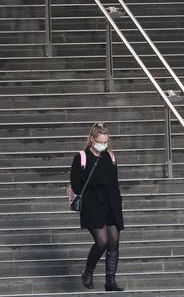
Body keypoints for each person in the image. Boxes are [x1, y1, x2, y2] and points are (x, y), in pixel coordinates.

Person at [70, 123, 125, 291]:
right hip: (92, 204)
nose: (103, 145)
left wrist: (117, 203)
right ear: (92, 140)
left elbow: (114, 183)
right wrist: (91, 196)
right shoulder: (81, 157)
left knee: (114, 241)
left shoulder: (110, 157)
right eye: (101, 141)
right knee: (102, 241)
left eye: (106, 142)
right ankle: (88, 271)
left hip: (111, 203)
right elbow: (75, 184)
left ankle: (110, 281)